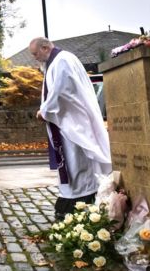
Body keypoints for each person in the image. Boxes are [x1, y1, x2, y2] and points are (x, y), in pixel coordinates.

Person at [28, 37, 112, 220]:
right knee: (73, 164)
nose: (34, 58)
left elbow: (61, 91)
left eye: (35, 53)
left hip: (73, 123)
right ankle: (72, 200)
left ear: (45, 47)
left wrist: (45, 111)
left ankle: (81, 203)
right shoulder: (56, 61)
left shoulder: (62, 60)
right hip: (66, 123)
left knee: (78, 162)